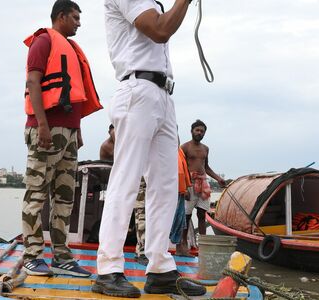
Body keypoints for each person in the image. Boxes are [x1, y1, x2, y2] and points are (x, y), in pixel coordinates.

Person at [94, 0, 206, 297]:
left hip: (161, 94)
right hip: (138, 89)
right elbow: (160, 30)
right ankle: (107, 269)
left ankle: (160, 267)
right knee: (126, 179)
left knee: (166, 185)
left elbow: (162, 25)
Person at [20, 0, 101, 278]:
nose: (79, 22)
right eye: (75, 17)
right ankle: (32, 254)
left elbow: (73, 95)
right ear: (61, 16)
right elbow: (33, 82)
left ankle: (61, 255)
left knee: (65, 197)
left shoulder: (73, 50)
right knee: (37, 193)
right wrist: (42, 125)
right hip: (46, 130)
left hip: (68, 133)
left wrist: (77, 130)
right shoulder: (43, 41)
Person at [99, 124, 149, 266]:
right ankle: (111, 250)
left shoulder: (132, 141)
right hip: (120, 184)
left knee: (142, 214)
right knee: (117, 216)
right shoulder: (106, 147)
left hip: (138, 180)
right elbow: (105, 170)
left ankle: (142, 250)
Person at [181, 119, 226, 252]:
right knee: (187, 215)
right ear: (192, 131)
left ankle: (204, 244)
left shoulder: (205, 148)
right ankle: (184, 242)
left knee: (202, 214)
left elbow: (206, 167)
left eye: (202, 131)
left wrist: (218, 179)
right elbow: (181, 168)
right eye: (197, 130)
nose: (199, 133)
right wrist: (184, 188)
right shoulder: (185, 147)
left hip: (203, 183)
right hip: (189, 183)